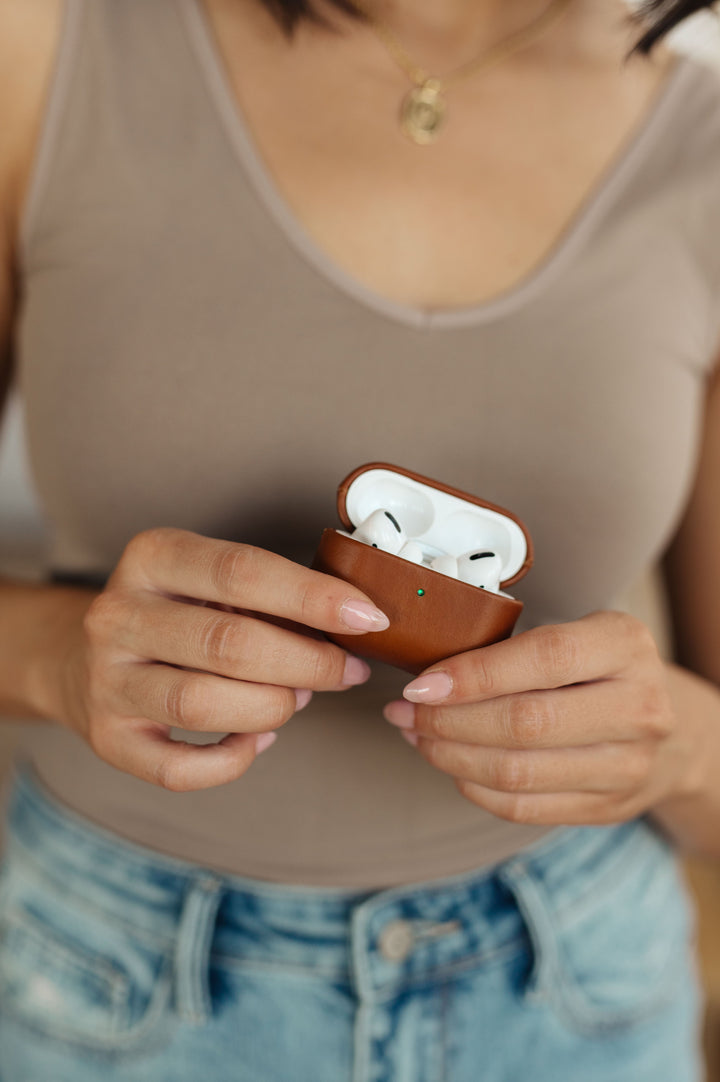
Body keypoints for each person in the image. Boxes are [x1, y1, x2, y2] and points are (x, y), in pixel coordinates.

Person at [0, 0, 719, 1078]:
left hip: (573, 989)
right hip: (114, 976)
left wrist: (679, 747)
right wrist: (54, 653)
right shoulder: (46, 48)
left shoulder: (706, 147)